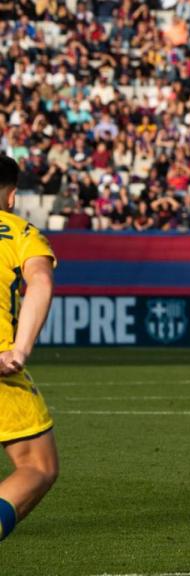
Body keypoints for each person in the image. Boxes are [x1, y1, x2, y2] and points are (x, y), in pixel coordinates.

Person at [0, 155, 59, 542]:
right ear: (12, 196)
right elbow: (40, 281)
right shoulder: (19, 232)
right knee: (37, 465)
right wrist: (19, 349)